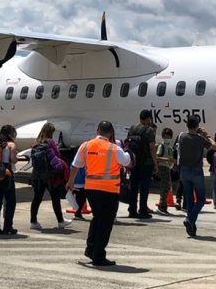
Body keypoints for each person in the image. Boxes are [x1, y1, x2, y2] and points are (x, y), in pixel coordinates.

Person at [70, 120, 131, 267]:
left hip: (91, 189)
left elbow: (75, 165)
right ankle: (98, 256)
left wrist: (70, 182)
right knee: (105, 223)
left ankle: (90, 249)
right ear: (111, 133)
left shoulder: (86, 145)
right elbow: (127, 162)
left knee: (97, 218)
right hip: (109, 190)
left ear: (97, 131)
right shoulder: (114, 149)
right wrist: (128, 150)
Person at [176, 115, 214, 237]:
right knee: (201, 199)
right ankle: (190, 219)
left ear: (187, 125)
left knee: (190, 200)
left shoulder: (181, 136)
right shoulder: (200, 139)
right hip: (196, 171)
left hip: (184, 171)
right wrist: (206, 135)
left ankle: (192, 225)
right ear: (197, 126)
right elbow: (214, 146)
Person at [30, 122, 72, 230]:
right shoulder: (50, 142)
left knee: (37, 199)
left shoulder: (36, 143)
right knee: (55, 198)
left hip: (38, 176)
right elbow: (57, 156)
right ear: (51, 132)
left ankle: (33, 222)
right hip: (50, 176)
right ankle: (60, 221)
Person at [125, 110, 158, 219]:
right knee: (144, 188)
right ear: (148, 119)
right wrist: (155, 163)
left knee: (133, 187)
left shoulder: (132, 128)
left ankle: (132, 210)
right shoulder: (149, 131)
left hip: (134, 162)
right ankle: (143, 210)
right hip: (146, 163)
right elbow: (152, 148)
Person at [0, 124, 18, 236]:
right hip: (6, 173)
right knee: (10, 201)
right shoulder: (11, 144)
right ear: (11, 134)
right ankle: (7, 227)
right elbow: (13, 160)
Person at [154, 127, 175, 215]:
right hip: (163, 167)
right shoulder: (161, 146)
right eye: (166, 136)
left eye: (169, 137)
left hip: (167, 168)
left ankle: (163, 205)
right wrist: (167, 159)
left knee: (166, 187)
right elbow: (157, 157)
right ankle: (162, 206)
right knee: (165, 187)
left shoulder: (170, 147)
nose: (167, 138)